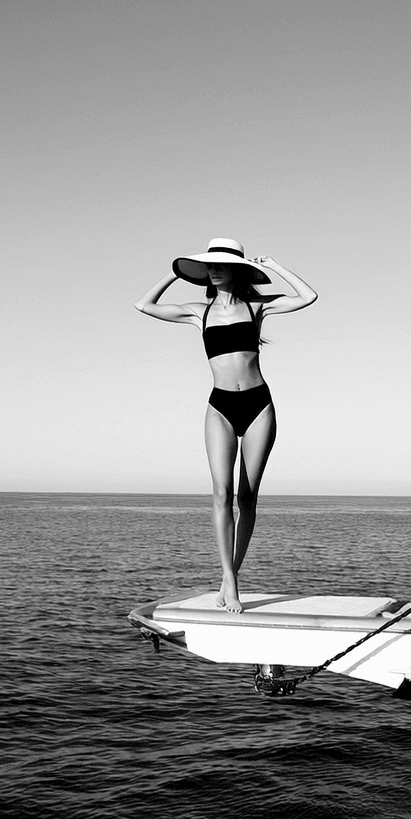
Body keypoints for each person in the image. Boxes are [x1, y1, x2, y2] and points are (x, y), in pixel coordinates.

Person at [135, 238, 318, 612]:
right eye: (209, 266)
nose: (214, 270)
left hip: (258, 405)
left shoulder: (256, 307)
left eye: (221, 265)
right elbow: (144, 305)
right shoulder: (197, 313)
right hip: (219, 407)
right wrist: (175, 273)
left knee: (247, 498)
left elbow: (308, 296)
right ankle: (230, 582)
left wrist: (273, 265)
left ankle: (229, 575)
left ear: (237, 270)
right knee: (221, 493)